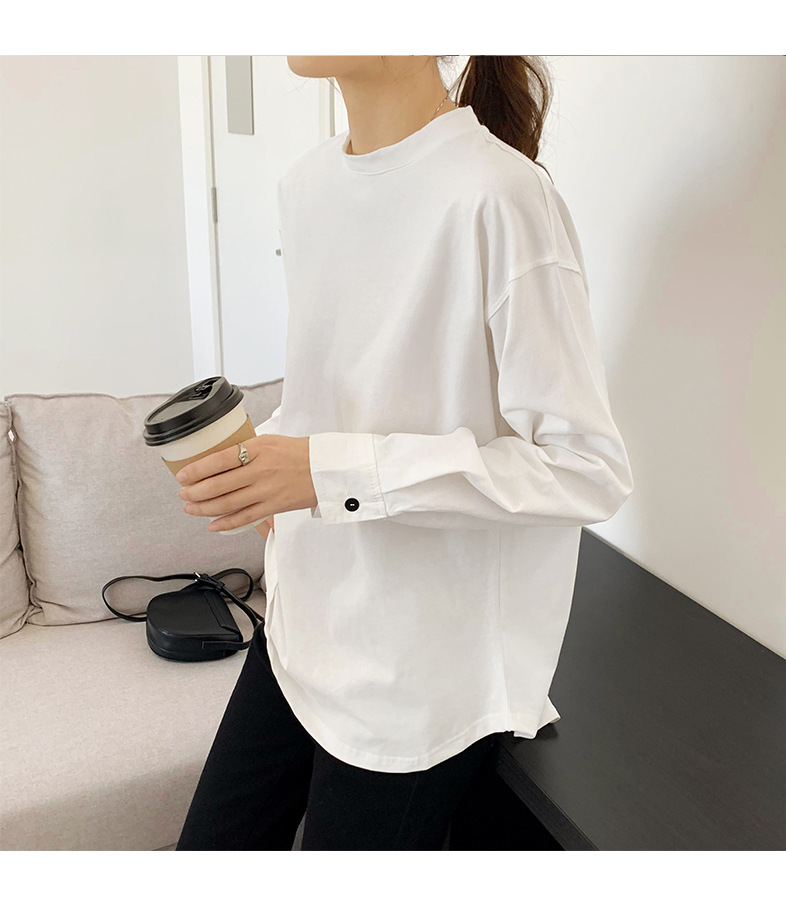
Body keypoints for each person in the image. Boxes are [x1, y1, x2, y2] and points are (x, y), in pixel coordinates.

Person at [174, 55, 634, 851]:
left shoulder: (502, 197)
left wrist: (325, 473)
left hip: (415, 679)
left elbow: (584, 469)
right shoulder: (306, 185)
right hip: (300, 624)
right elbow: (338, 393)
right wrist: (267, 469)